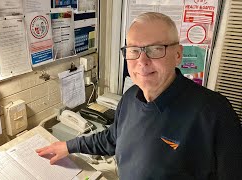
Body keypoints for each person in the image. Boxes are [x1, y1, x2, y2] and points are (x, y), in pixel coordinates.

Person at [36, 12, 242, 179]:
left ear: (178, 54)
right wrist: (69, 146)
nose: (142, 61)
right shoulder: (131, 96)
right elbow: (111, 139)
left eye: (155, 49)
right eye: (134, 50)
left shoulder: (215, 112)